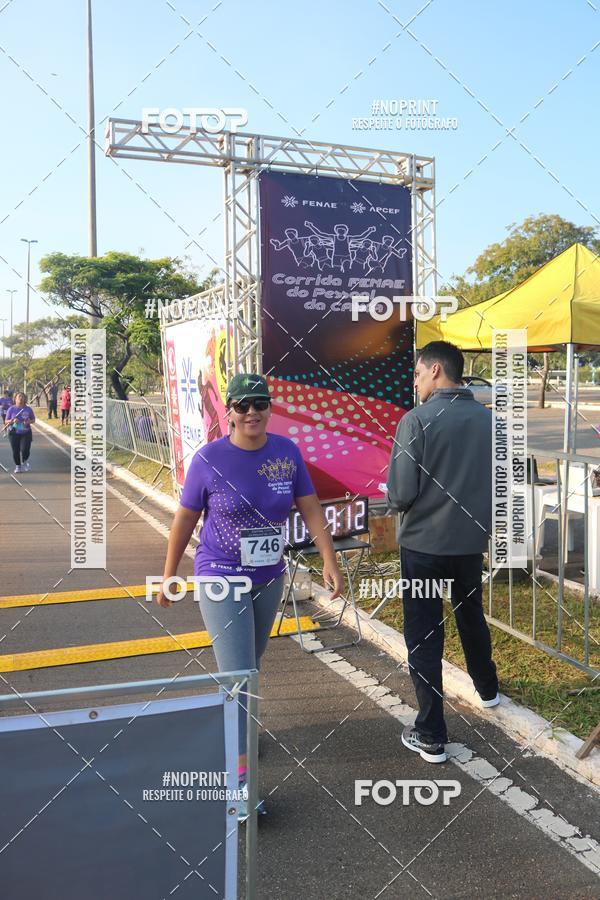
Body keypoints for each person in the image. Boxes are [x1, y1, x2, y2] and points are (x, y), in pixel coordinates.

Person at [157, 373, 344, 818]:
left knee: (250, 669)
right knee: (238, 676)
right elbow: (184, 520)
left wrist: (330, 560)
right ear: (229, 411)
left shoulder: (286, 452)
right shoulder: (209, 459)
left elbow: (311, 508)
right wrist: (168, 576)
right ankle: (237, 788)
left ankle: (239, 734)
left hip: (268, 577)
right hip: (220, 576)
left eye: (261, 403)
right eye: (242, 405)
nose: (252, 412)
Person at [386, 341, 499, 764]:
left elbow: (400, 494)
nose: (415, 383)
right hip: (470, 545)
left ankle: (431, 732)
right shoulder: (489, 422)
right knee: (470, 615)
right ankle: (487, 689)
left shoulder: (416, 420)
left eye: (417, 375)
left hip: (424, 548)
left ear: (435, 370)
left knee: (425, 634)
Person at [5, 391, 36, 473]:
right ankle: (18, 466)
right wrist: (12, 421)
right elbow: (6, 421)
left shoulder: (28, 409)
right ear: (15, 399)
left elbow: (33, 420)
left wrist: (29, 421)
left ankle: (24, 462)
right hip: (14, 432)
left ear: (25, 399)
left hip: (26, 432)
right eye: (19, 397)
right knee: (15, 450)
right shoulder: (11, 409)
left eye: (22, 397)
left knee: (25, 449)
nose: (21, 398)